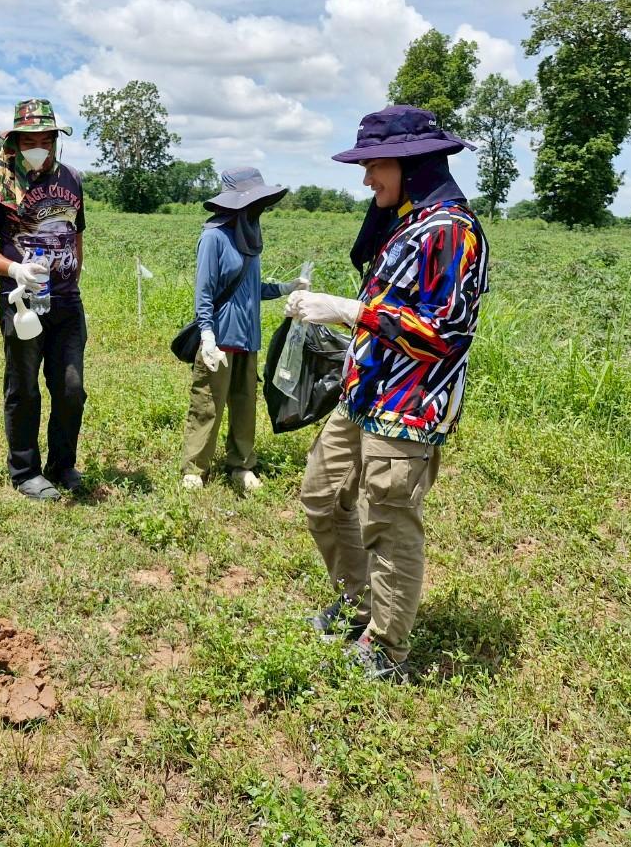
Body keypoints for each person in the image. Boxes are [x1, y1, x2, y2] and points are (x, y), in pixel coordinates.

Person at [285, 105, 489, 681]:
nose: (367, 179)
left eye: (374, 165)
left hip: (408, 405)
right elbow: (389, 299)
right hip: (363, 393)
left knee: (389, 521)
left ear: (412, 163)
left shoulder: (450, 230)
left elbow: (445, 335)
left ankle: (387, 646)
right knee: (322, 495)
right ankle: (358, 604)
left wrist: (349, 311)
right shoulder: (406, 221)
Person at [0, 99, 87, 501]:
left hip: (66, 303)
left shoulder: (72, 179)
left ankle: (62, 465)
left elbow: (76, 234)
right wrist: (14, 270)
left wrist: (72, 278)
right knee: (24, 388)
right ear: (15, 143)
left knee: (71, 389)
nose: (39, 148)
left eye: (46, 140)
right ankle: (25, 471)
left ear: (56, 141)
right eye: (29, 141)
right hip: (22, 303)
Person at [181, 167, 306, 492]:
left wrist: (285, 287)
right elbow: (205, 292)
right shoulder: (214, 237)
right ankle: (195, 469)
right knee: (207, 404)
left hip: (248, 339)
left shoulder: (249, 237)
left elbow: (251, 288)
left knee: (245, 404)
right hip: (219, 339)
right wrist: (207, 335)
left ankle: (241, 464)